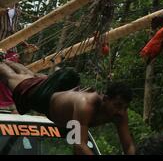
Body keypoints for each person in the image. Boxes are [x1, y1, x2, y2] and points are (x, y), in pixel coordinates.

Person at [0, 60, 135, 155]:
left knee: (29, 76)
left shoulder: (120, 113)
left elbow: (128, 146)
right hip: (41, 99)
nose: (120, 111)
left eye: (124, 107)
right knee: (11, 77)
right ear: (105, 99)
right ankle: (2, 61)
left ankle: (7, 60)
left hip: (57, 92)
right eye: (117, 106)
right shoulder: (86, 105)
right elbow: (79, 145)